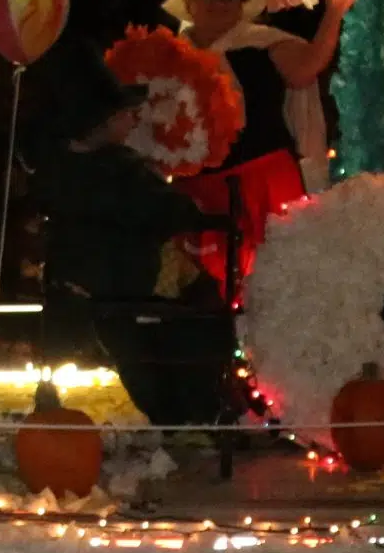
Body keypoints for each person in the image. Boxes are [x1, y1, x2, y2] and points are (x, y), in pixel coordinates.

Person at [22, 43, 233, 427]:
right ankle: (199, 404)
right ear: (100, 122)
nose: (133, 121)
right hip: (125, 280)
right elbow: (166, 211)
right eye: (125, 115)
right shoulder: (123, 171)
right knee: (200, 305)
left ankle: (56, 396)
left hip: (71, 280)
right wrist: (202, 213)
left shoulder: (56, 167)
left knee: (131, 350)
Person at [164, 0, 366, 293]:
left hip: (263, 181)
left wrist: (335, 11)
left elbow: (307, 67)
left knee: (277, 280)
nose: (219, 4)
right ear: (190, 2)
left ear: (243, 5)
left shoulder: (264, 42)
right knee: (207, 290)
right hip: (199, 189)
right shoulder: (166, 55)